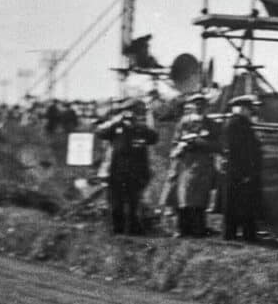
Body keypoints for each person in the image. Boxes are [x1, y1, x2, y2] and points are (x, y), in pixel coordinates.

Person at [94, 98, 159, 235]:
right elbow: (100, 132)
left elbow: (154, 137)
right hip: (115, 172)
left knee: (133, 204)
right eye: (129, 111)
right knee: (116, 205)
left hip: (135, 173)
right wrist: (115, 120)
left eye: (135, 111)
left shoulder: (141, 128)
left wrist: (148, 117)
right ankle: (117, 232)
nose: (132, 114)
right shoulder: (116, 127)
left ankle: (133, 233)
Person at [163, 94, 220, 237]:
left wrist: (200, 142)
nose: (199, 107)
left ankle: (198, 228)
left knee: (200, 197)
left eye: (202, 104)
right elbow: (175, 142)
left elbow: (218, 145)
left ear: (206, 107)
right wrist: (180, 146)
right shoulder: (183, 123)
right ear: (191, 106)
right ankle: (182, 228)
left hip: (203, 164)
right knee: (183, 196)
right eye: (196, 104)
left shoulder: (211, 124)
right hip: (185, 163)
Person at [220, 94, 265, 243]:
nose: (252, 111)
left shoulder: (235, 123)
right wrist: (246, 172)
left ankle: (231, 233)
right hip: (241, 170)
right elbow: (241, 150)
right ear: (244, 108)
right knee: (244, 203)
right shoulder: (238, 124)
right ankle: (247, 234)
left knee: (234, 202)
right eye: (250, 108)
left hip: (236, 170)